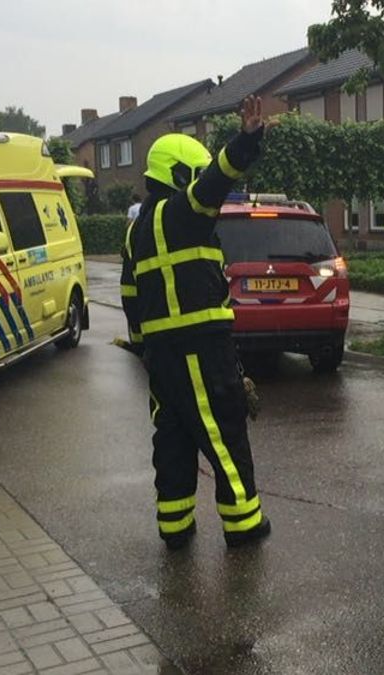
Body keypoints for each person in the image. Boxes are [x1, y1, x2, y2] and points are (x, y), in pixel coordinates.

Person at [119, 96, 272, 551]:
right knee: (223, 430)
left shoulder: (135, 230)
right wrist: (246, 140)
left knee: (174, 438)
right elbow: (218, 178)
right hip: (202, 347)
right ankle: (245, 526)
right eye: (194, 173)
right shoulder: (183, 211)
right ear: (181, 175)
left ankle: (175, 527)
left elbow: (130, 295)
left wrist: (143, 345)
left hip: (162, 356)